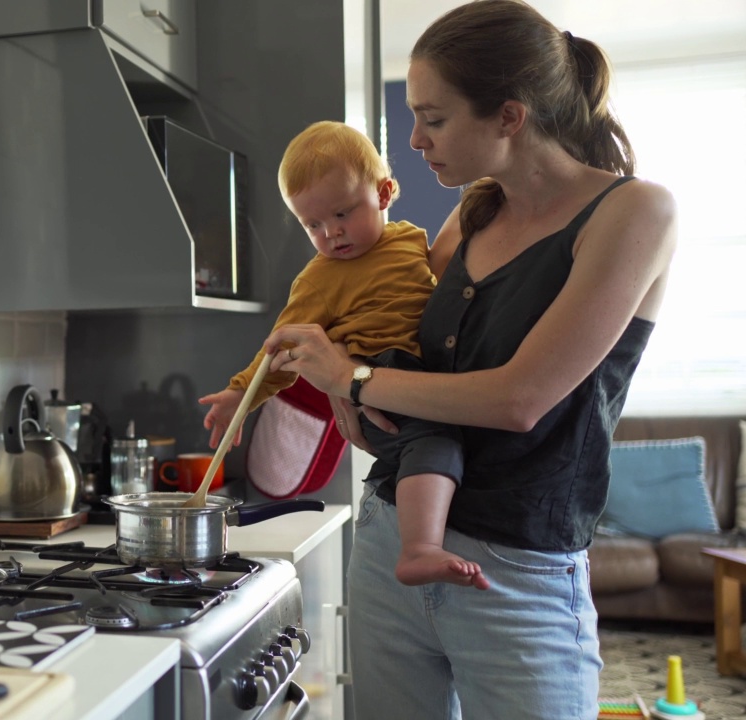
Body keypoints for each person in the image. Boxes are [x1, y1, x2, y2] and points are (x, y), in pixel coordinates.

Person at [262, 1, 678, 718]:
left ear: (510, 116)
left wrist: (352, 377)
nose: (416, 140)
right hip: (392, 538)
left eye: (434, 117)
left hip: (517, 569)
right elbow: (408, 377)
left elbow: (520, 400)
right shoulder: (472, 212)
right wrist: (342, 393)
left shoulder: (634, 214)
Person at [198, 120, 487, 590]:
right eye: (312, 224)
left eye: (342, 214)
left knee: (443, 439)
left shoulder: (411, 240)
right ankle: (418, 549)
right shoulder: (319, 278)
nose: (331, 233)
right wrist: (239, 397)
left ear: (384, 193)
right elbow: (280, 346)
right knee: (435, 444)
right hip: (378, 374)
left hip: (418, 371)